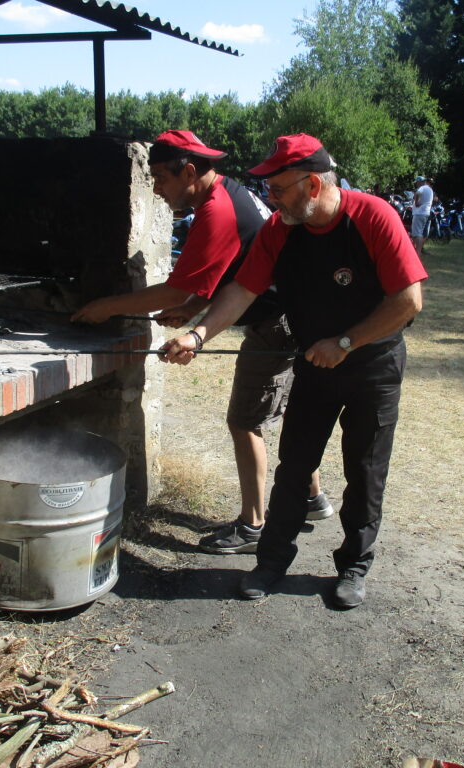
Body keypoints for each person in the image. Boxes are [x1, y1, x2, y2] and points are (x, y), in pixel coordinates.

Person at [161, 134, 427, 609]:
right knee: (294, 467)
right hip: (315, 365)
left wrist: (345, 343)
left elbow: (409, 302)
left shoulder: (372, 216)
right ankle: (270, 562)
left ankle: (353, 569)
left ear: (311, 186)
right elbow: (243, 290)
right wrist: (198, 336)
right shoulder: (281, 230)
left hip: (373, 365)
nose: (270, 198)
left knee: (365, 473)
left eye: (278, 189)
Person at [71, 130, 330, 554]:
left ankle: (253, 527)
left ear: (189, 171)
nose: (155, 189)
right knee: (272, 411)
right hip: (284, 312)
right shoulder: (226, 194)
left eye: (160, 178)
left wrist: (108, 306)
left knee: (245, 421)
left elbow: (175, 291)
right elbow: (224, 269)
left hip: (277, 320)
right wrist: (193, 305)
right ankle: (310, 498)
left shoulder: (216, 211)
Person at [411, 175, 434, 253]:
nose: (416, 184)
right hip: (425, 213)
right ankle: (417, 251)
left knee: (416, 234)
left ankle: (417, 252)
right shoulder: (430, 189)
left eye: (417, 183)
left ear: (420, 182)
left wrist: (416, 202)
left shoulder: (422, 187)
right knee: (419, 232)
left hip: (419, 213)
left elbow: (417, 194)